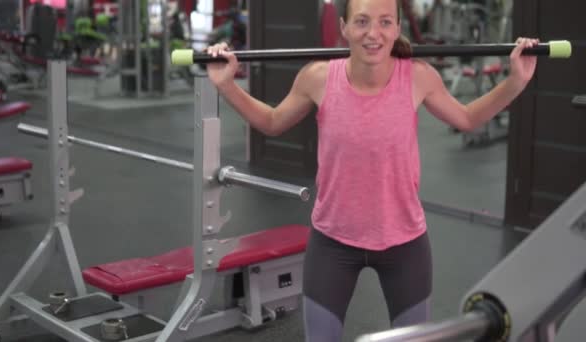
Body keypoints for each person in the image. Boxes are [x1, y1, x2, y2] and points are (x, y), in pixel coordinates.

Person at [205, 0, 537, 340]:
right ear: (345, 28)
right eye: (362, 22)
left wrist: (516, 81)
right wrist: (227, 85)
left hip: (404, 243)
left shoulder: (417, 77)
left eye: (384, 22)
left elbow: (466, 119)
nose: (373, 34)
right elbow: (273, 122)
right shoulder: (318, 78)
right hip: (332, 242)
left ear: (396, 29)